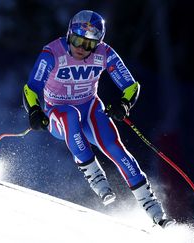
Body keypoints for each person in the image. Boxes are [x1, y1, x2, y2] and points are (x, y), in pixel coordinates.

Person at [22, 10, 176, 228]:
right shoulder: (52, 53)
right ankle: (96, 178)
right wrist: (35, 111)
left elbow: (131, 86)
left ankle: (155, 212)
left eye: (89, 45)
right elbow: (31, 88)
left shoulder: (105, 53)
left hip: (90, 109)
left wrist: (124, 104)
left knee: (116, 149)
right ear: (69, 35)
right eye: (77, 41)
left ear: (99, 43)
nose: (81, 49)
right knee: (70, 116)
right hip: (58, 113)